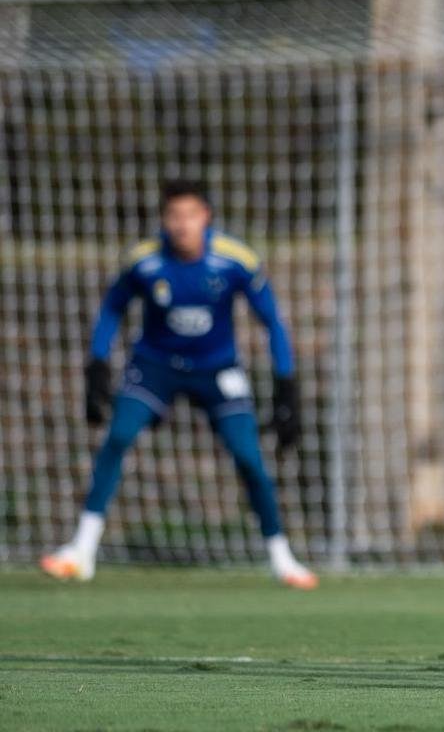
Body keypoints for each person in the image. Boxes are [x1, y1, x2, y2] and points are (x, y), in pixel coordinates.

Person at [40, 179, 317, 590]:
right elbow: (112, 308)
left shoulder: (234, 259)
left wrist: (286, 383)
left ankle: (282, 558)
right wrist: (97, 364)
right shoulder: (144, 261)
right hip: (155, 366)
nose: (182, 224)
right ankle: (82, 550)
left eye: (190, 215)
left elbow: (272, 321)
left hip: (216, 368)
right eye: (174, 216)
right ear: (164, 220)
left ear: (206, 217)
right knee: (117, 438)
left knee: (249, 458)